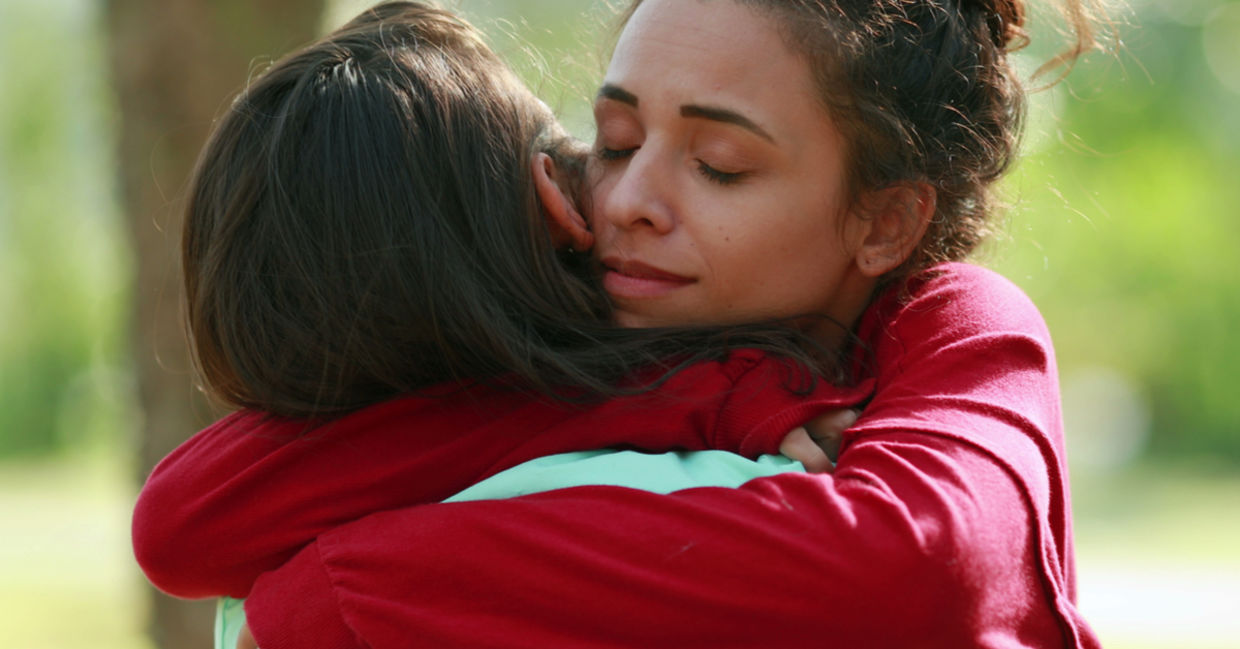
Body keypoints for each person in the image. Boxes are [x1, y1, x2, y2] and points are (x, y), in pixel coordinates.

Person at [135, 0, 1111, 646]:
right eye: (612, 140)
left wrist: (338, 591)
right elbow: (187, 515)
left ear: (884, 219)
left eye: (719, 163)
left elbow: (915, 566)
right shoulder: (618, 334)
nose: (628, 198)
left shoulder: (956, 330)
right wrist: (697, 396)